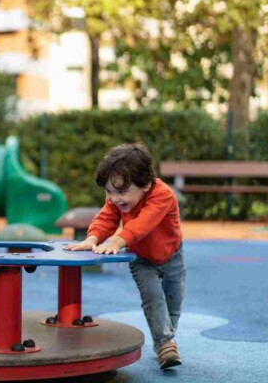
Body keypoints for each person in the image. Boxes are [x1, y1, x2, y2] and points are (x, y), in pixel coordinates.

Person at [64, 143, 185, 370]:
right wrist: (92, 239)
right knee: (153, 298)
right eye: (109, 191)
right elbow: (106, 218)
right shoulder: (116, 200)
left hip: (173, 256)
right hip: (141, 259)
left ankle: (165, 337)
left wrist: (117, 241)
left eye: (120, 192)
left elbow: (143, 224)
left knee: (174, 303)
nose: (114, 198)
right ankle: (165, 343)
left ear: (146, 184)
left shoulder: (163, 196)